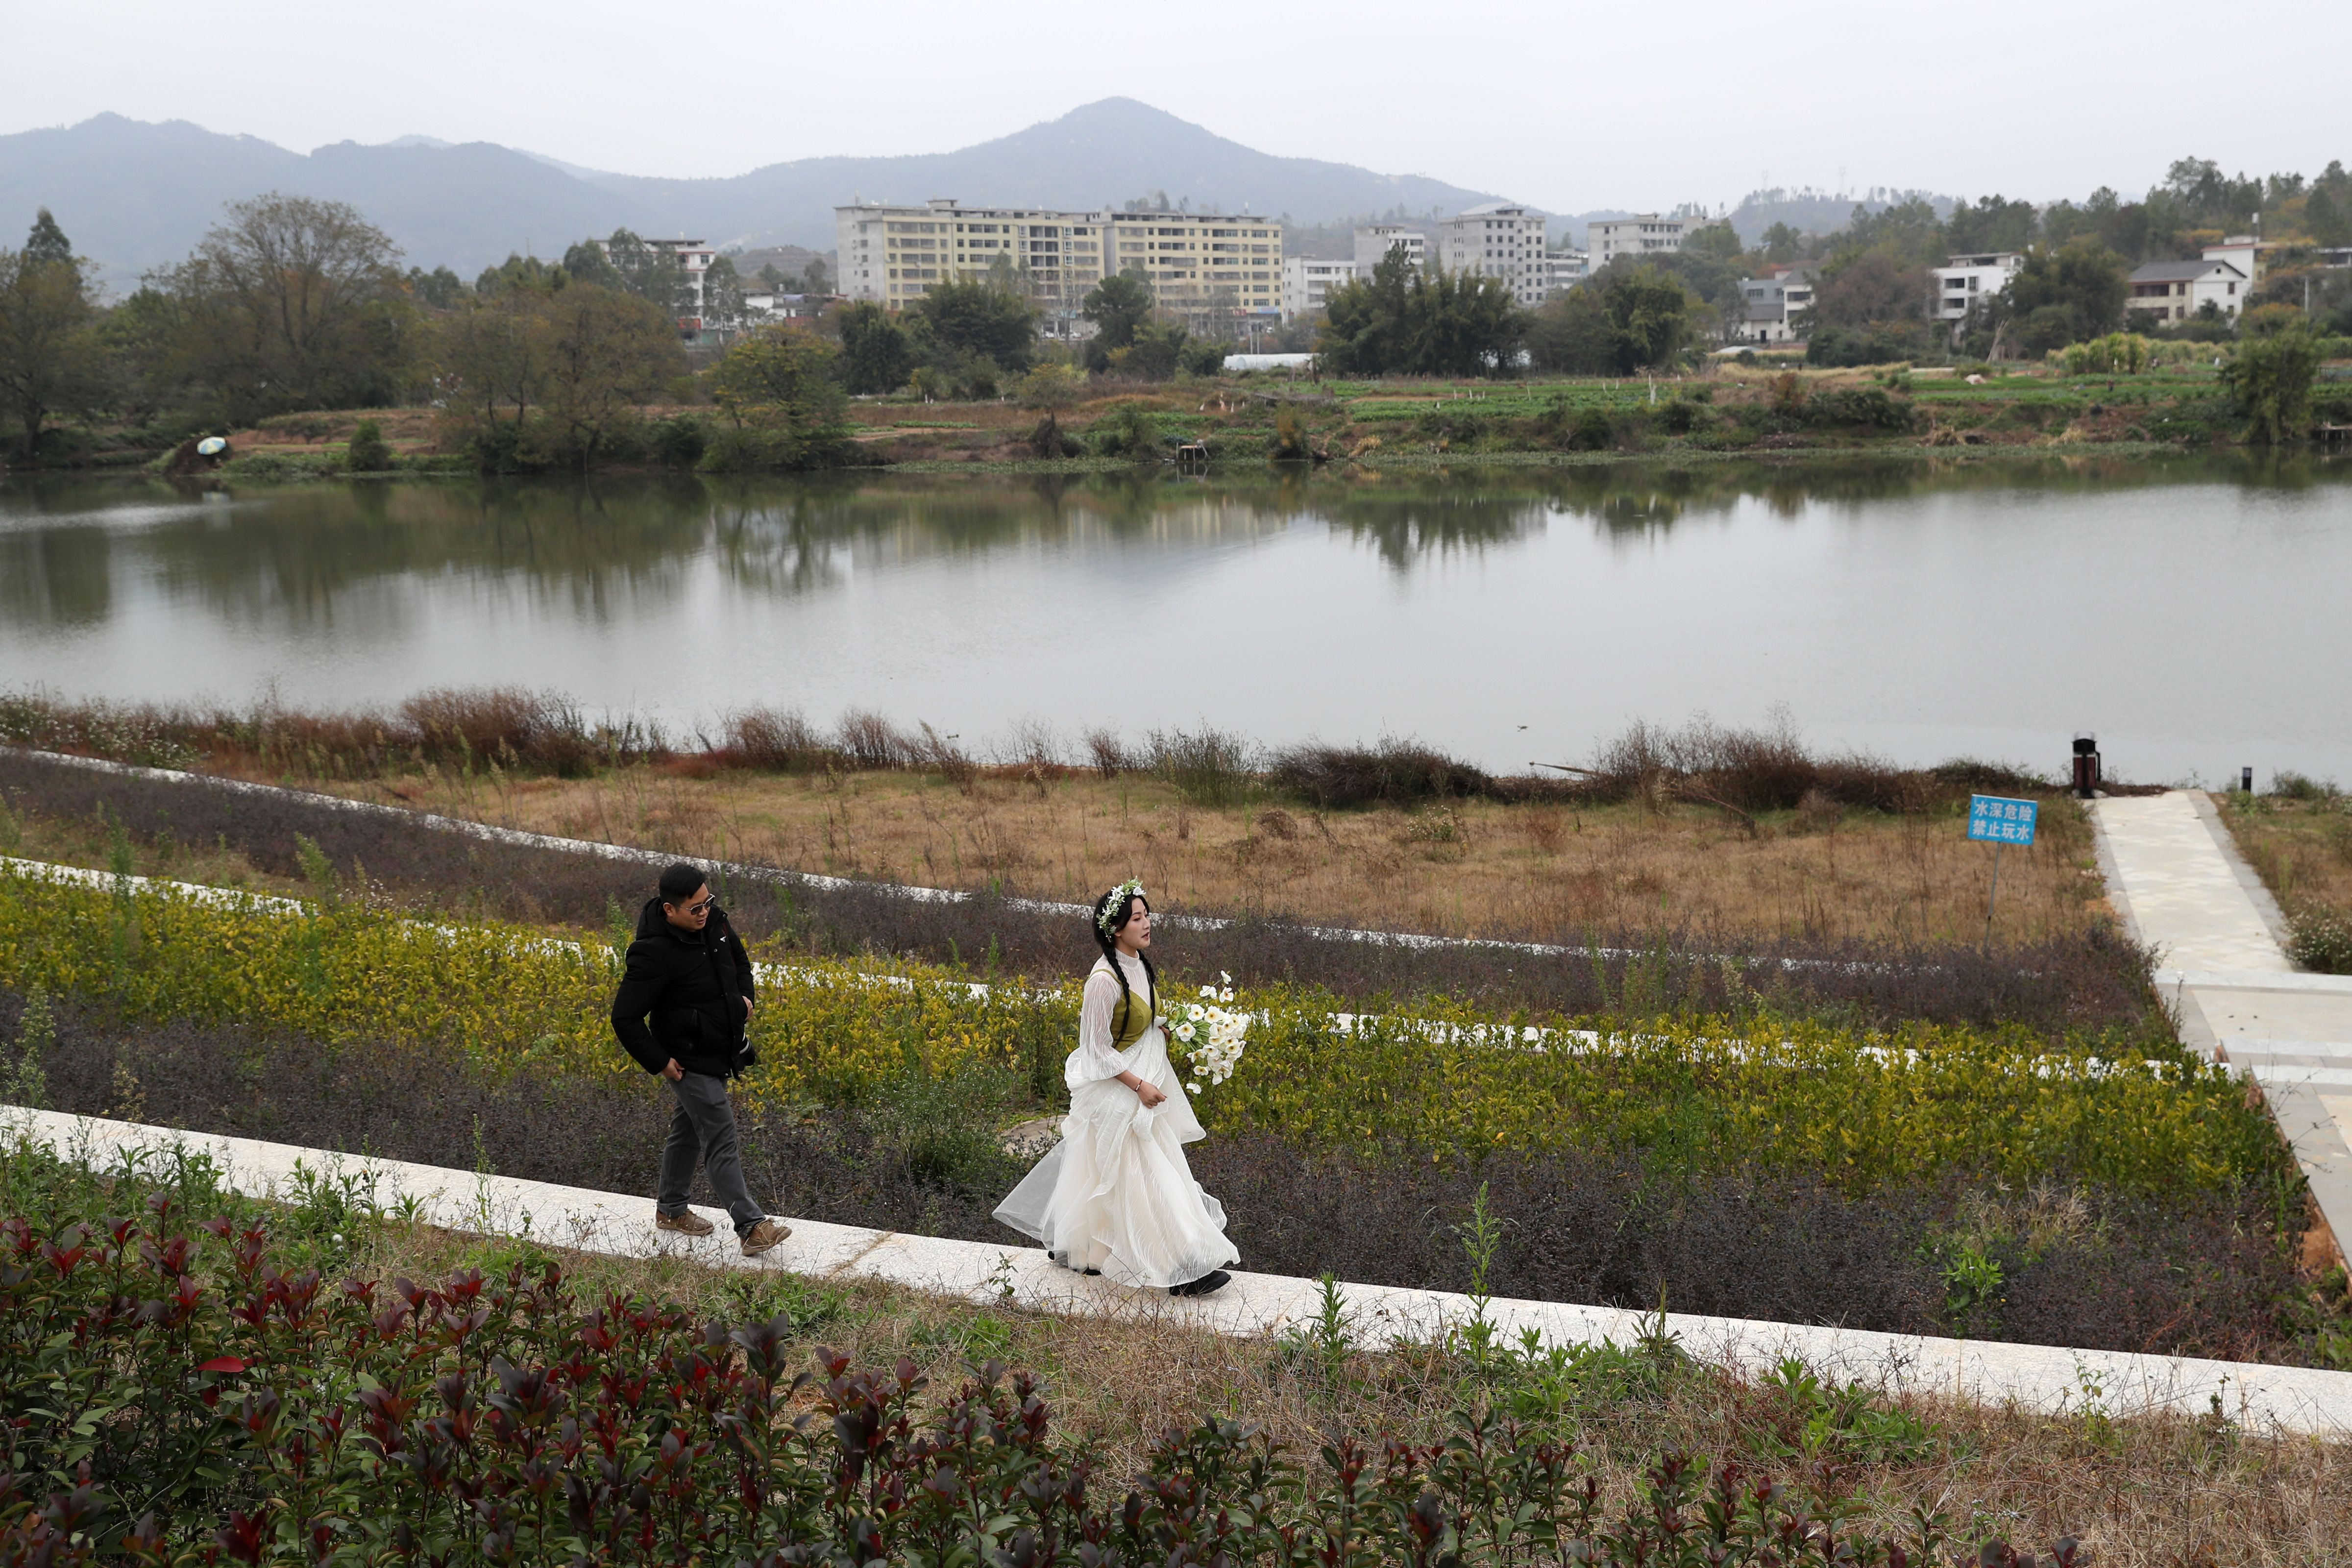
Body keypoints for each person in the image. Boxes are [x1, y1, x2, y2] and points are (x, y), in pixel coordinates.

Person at [993, 880, 1236, 1297]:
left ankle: (1081, 1248)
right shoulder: (1103, 980)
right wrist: (1138, 1085)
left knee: (1107, 1168)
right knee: (1148, 1171)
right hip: (1118, 1084)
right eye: (1137, 918)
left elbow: (1141, 1016)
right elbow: (1096, 1051)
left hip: (1144, 1078)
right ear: (1116, 928)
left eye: (1147, 916)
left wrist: (1172, 1027)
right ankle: (1183, 1266)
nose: (1147, 924)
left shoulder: (1139, 964)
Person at [611, 861, 789, 1257]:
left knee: (688, 1131)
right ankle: (752, 1226)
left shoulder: (716, 925)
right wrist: (659, 1060)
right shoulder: (652, 954)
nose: (705, 911)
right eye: (695, 908)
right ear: (669, 909)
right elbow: (624, 1018)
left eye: (707, 902)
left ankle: (671, 1210)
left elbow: (741, 963)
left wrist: (746, 999)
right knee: (720, 1135)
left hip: (719, 1050)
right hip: (686, 1061)